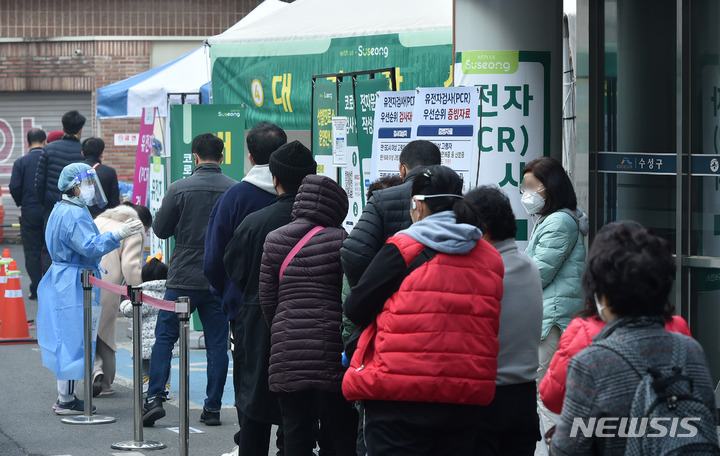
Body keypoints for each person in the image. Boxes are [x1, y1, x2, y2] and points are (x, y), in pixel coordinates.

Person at [342, 165, 504, 455]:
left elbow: (355, 307)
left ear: (416, 204)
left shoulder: (404, 246)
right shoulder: (490, 257)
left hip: (398, 396)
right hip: (463, 396)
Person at [550, 221, 718, 455]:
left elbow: (567, 450)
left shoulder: (590, 363)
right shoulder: (691, 350)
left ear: (603, 295)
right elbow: (706, 422)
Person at [224, 140, 317, 456]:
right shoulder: (328, 224)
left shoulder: (255, 222)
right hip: (313, 332)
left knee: (254, 411)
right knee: (298, 420)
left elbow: (234, 270)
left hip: (259, 325)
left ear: (274, 178)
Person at [538, 223, 691, 415]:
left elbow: (552, 398)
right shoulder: (680, 332)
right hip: (669, 441)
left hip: (606, 441)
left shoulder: (585, 333)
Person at [142, 133, 237, 427]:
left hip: (182, 276)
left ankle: (155, 397)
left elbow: (159, 229)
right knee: (218, 345)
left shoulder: (179, 188)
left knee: (165, 338)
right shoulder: (235, 189)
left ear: (194, 156)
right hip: (218, 278)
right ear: (222, 156)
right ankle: (212, 408)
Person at [260, 174, 357, 455]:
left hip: (287, 347)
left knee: (295, 433)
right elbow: (347, 296)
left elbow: (267, 298)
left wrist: (281, 329)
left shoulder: (274, 238)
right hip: (332, 348)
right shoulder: (341, 239)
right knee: (338, 430)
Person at [36, 162, 144, 415]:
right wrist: (118, 234)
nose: (89, 189)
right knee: (74, 339)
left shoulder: (63, 208)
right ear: (73, 187)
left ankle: (67, 397)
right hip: (74, 279)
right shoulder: (73, 213)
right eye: (85, 184)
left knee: (69, 337)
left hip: (67, 276)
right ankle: (66, 400)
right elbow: (89, 246)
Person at [203, 121, 286, 448]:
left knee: (251, 386)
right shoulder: (308, 197)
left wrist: (229, 297)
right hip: (299, 310)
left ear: (249, 157)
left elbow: (214, 261)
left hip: (247, 310)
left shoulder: (234, 197)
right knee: (292, 391)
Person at [465, 185, 543, 456]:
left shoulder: (481, 270)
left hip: (487, 400)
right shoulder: (529, 265)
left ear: (482, 229)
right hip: (523, 401)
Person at [520, 156, 588, 439]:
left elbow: (538, 272)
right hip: (553, 312)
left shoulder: (559, 221)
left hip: (553, 316)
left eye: (531, 186)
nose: (526, 194)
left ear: (550, 187)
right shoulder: (552, 218)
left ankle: (558, 446)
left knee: (542, 391)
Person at [340, 140, 441, 288]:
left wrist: (372, 292)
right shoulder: (459, 202)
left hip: (393, 301)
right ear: (440, 167)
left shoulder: (381, 199)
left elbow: (353, 252)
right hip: (446, 301)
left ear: (402, 169)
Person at [92, 202, 152, 396]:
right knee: (106, 333)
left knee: (87, 328)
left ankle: (94, 368)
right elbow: (130, 266)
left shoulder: (99, 219)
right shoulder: (133, 228)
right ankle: (106, 382)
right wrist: (142, 291)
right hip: (108, 283)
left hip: (85, 278)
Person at [35, 110, 86, 274]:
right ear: (80, 130)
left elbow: (39, 182)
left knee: (50, 247)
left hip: (52, 207)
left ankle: (50, 285)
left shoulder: (49, 149)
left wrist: (44, 204)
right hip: (78, 209)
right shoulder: (83, 151)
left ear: (63, 127)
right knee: (76, 247)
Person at [119, 255, 177, 394]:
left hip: (144, 341)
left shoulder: (143, 295)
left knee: (145, 362)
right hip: (164, 338)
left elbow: (129, 310)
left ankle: (146, 382)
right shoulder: (169, 294)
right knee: (165, 362)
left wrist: (124, 303)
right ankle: (165, 386)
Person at [10, 128, 46, 299]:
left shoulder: (21, 162)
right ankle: (49, 287)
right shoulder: (49, 160)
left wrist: (22, 202)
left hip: (29, 211)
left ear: (27, 143)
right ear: (45, 142)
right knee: (49, 250)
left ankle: (36, 289)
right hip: (48, 211)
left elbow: (14, 186)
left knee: (32, 251)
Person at [82, 137, 120, 218]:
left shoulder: (72, 170)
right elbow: (114, 203)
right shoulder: (109, 172)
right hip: (100, 220)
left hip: (78, 220)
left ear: (82, 153)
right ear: (101, 154)